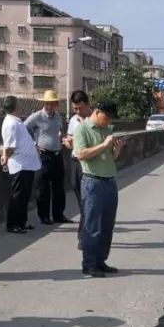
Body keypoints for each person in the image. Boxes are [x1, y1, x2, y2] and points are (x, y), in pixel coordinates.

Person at [74, 100, 124, 277]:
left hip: (109, 181)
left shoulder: (107, 130)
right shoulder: (82, 129)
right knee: (92, 225)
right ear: (97, 112)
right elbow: (81, 154)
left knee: (107, 225)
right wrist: (103, 145)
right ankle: (89, 264)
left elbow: (110, 158)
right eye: (107, 117)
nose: (109, 121)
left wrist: (116, 150)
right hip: (93, 182)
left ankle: (101, 260)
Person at [25, 89, 70, 225]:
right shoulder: (37, 116)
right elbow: (24, 127)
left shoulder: (58, 116)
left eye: (52, 104)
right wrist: (33, 142)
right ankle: (44, 216)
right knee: (43, 189)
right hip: (44, 155)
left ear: (56, 104)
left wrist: (62, 138)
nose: (49, 107)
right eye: (47, 104)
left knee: (59, 188)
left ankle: (58, 214)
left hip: (57, 155)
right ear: (44, 104)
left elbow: (61, 130)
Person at [0, 95, 41, 234]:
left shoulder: (16, 121)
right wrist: (5, 157)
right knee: (17, 196)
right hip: (20, 165)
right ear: (15, 107)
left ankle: (22, 222)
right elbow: (9, 146)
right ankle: (13, 224)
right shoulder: (11, 123)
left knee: (24, 195)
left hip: (27, 165)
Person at [64, 89, 92, 246]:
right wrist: (68, 142)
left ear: (87, 104)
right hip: (75, 162)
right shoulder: (74, 120)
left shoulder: (95, 119)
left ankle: (83, 236)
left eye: (80, 108)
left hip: (88, 163)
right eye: (74, 108)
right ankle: (85, 234)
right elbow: (70, 138)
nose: (77, 111)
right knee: (81, 200)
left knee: (87, 202)